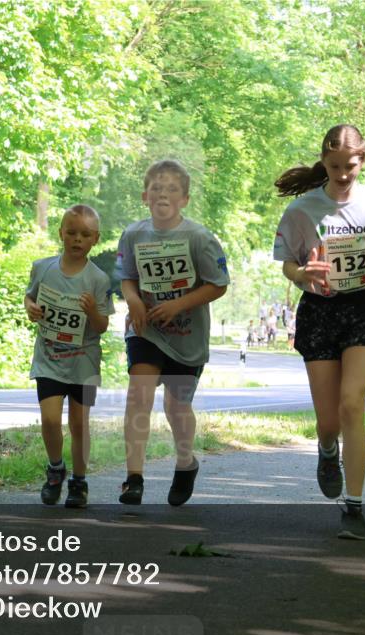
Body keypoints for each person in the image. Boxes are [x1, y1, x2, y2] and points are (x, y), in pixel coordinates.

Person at [273, 124, 365, 539]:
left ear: (362, 160)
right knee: (329, 420)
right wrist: (302, 272)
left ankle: (354, 507)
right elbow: (287, 265)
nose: (342, 174)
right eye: (334, 167)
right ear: (324, 163)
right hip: (319, 311)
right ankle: (327, 449)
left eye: (350, 166)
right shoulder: (302, 211)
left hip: (363, 307)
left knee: (353, 404)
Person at [116, 159, 229, 505]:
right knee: (139, 395)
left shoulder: (199, 238)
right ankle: (133, 478)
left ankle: (185, 463)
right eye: (157, 188)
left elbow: (219, 284)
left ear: (185, 199)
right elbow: (126, 277)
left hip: (186, 336)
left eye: (172, 190)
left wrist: (179, 305)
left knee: (176, 408)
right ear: (144, 195)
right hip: (146, 330)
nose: (163, 194)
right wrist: (134, 299)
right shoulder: (133, 234)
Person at [24, 205, 113, 509]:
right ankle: (54, 468)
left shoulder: (99, 279)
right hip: (48, 357)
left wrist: (91, 312)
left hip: (83, 362)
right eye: (71, 232)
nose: (77, 239)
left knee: (79, 423)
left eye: (85, 235)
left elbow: (102, 326)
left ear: (95, 239)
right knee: (49, 420)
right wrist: (30, 307)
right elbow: (30, 296)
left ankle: (79, 480)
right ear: (60, 233)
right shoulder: (43, 268)